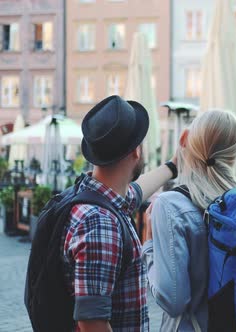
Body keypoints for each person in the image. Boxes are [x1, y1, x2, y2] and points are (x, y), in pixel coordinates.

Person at [62, 95, 179, 331]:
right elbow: (92, 322)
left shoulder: (94, 196)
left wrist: (173, 166)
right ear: (136, 151)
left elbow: (137, 191)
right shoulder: (100, 222)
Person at [142, 110, 236, 331]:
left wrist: (149, 247)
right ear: (234, 153)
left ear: (184, 139)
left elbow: (173, 301)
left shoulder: (170, 205)